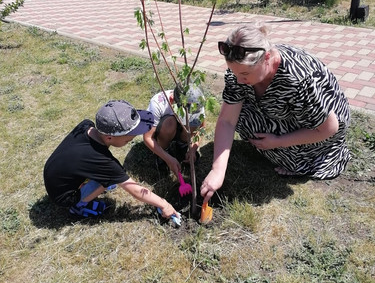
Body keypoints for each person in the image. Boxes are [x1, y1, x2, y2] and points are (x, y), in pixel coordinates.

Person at [201, 23, 351, 203]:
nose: (239, 80)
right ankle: (279, 147)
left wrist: (279, 141)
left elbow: (329, 128)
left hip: (320, 129)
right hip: (289, 114)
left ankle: (301, 162)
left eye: (245, 74)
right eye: (234, 72)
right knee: (242, 118)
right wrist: (217, 170)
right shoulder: (240, 72)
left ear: (267, 57)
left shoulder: (297, 80)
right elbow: (227, 121)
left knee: (281, 147)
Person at [44, 99, 179, 219]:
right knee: (108, 180)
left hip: (56, 175)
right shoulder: (103, 162)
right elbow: (135, 190)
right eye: (128, 139)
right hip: (64, 195)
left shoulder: (86, 126)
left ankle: (85, 185)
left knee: (110, 176)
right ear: (109, 138)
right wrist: (164, 204)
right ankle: (79, 206)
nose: (132, 138)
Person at [143, 85, 205, 176]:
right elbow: (147, 137)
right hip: (163, 130)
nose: (188, 114)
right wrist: (168, 159)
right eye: (184, 110)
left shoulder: (196, 103)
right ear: (172, 100)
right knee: (169, 124)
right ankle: (164, 152)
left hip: (181, 128)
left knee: (193, 122)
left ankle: (182, 147)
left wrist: (193, 149)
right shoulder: (157, 104)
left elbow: (201, 127)